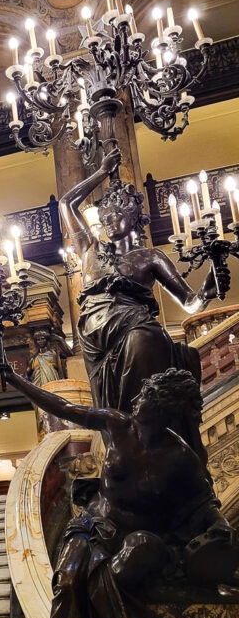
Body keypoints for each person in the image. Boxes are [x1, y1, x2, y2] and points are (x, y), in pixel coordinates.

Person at [0, 355, 239, 618]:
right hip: (96, 525)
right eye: (143, 393)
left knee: (124, 576)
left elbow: (204, 506)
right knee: (68, 582)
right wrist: (19, 382)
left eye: (149, 397)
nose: (139, 398)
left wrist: (220, 533)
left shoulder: (181, 459)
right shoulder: (116, 424)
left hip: (145, 534)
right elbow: (65, 408)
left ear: (164, 411)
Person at [60, 145, 216, 453]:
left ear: (133, 217)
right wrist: (102, 172)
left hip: (134, 329)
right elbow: (66, 202)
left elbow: (190, 303)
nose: (107, 219)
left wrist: (208, 292)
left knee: (142, 339)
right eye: (104, 214)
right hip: (95, 341)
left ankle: (140, 432)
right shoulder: (88, 248)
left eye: (116, 213)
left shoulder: (151, 257)